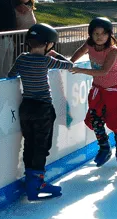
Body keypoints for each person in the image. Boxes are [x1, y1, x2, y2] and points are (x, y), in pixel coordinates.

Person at [7, 23, 75, 200]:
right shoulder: (47, 60)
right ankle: (37, 183)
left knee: (30, 143)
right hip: (43, 108)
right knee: (42, 145)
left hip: (26, 107)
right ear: (48, 44)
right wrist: (55, 55)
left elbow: (11, 75)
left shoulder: (22, 58)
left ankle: (30, 180)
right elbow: (70, 65)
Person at [71, 18, 117, 168]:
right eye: (95, 33)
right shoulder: (89, 44)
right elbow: (79, 52)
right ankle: (104, 148)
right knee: (95, 119)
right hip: (98, 90)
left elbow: (103, 71)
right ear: (90, 34)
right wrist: (70, 62)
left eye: (103, 34)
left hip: (115, 89)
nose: (99, 37)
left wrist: (80, 70)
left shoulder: (112, 51)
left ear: (109, 35)